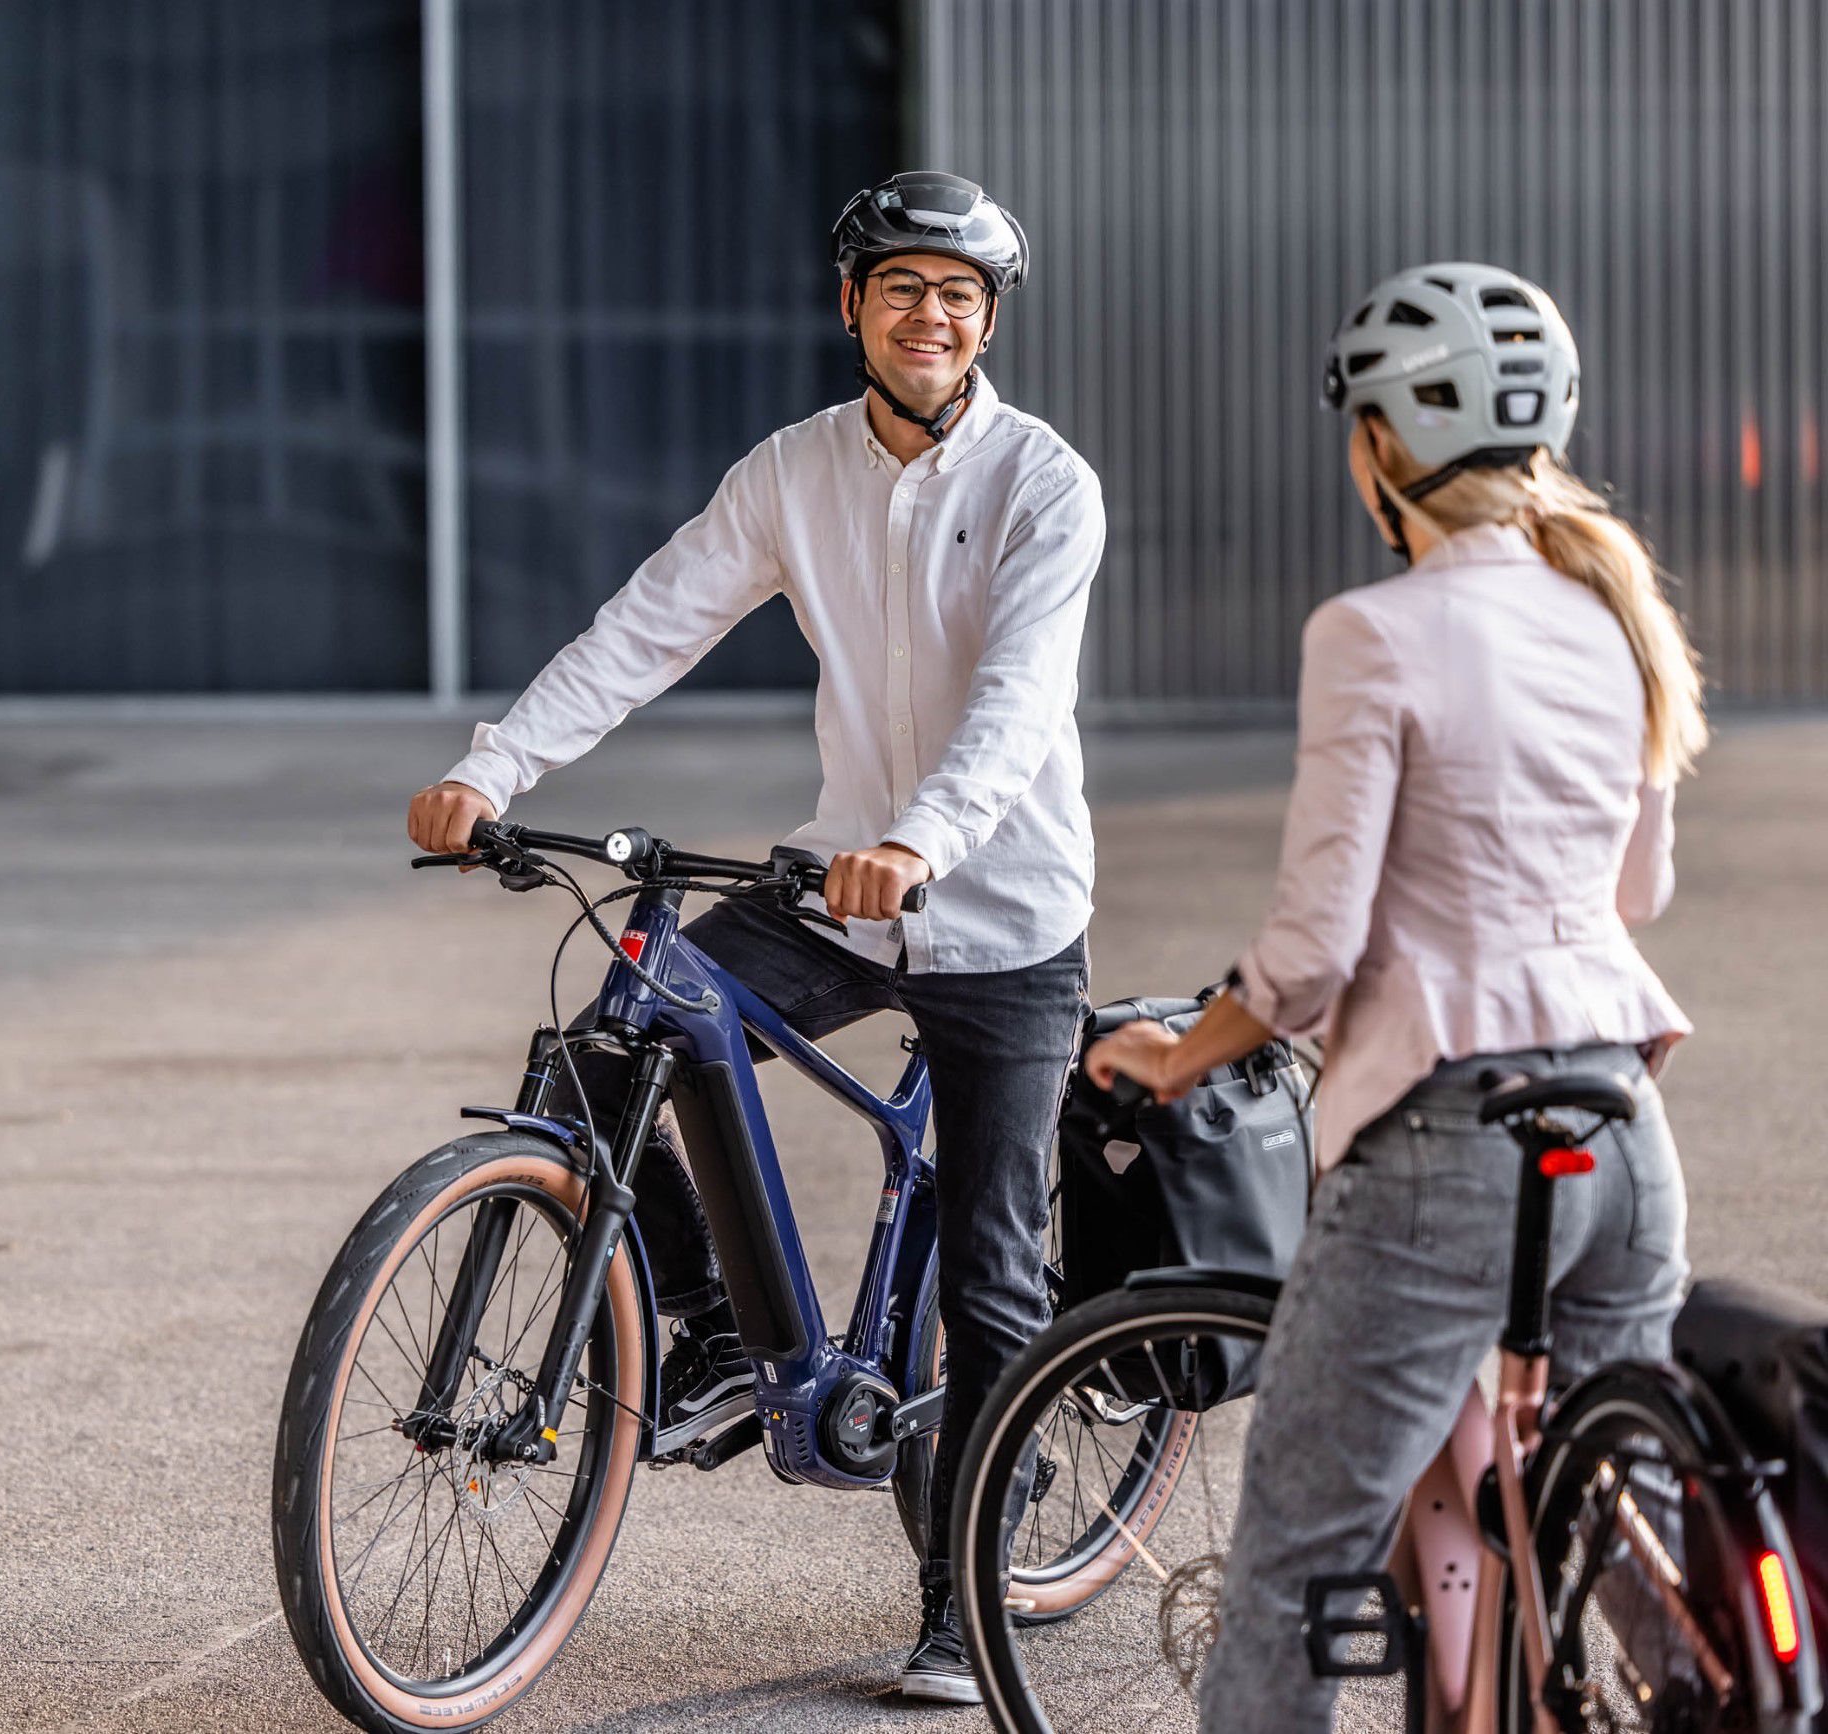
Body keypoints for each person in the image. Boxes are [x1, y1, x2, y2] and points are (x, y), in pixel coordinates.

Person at [406, 170, 1103, 1704]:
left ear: (990, 322)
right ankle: (719, 1332)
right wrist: (494, 768)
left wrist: (924, 838)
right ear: (850, 304)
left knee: (992, 1274)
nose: (932, 316)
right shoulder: (792, 472)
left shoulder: (1045, 483)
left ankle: (963, 1599)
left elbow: (1018, 699)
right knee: (609, 1042)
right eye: (903, 286)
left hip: (999, 910)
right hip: (838, 892)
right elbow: (647, 626)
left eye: (961, 294)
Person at [1083, 262, 1705, 1733]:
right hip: (1621, 1126)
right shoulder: (1613, 614)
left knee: (1296, 1561)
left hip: (1447, 1144)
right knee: (1633, 1548)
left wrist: (1178, 1058)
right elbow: (1641, 890)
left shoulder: (1373, 630)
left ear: (1380, 445)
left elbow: (1310, 951)